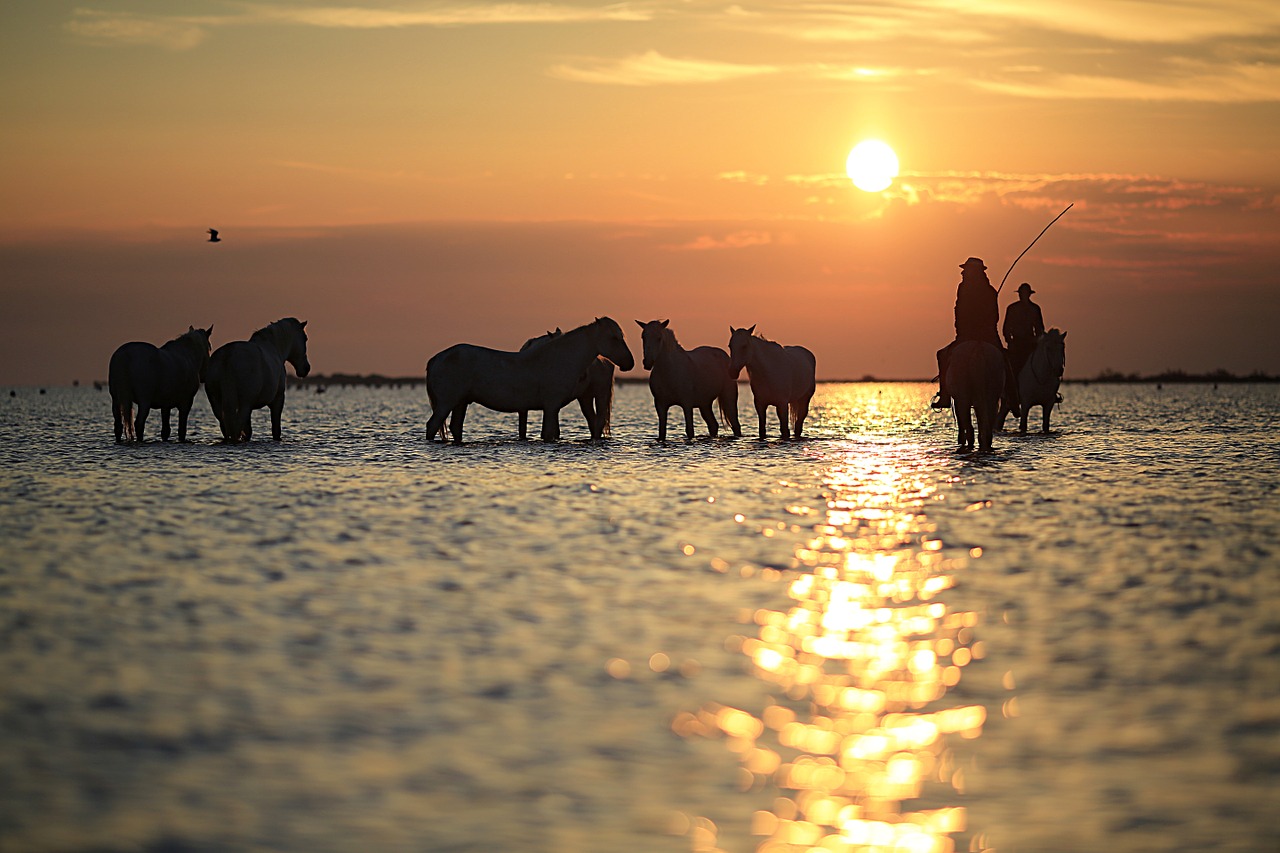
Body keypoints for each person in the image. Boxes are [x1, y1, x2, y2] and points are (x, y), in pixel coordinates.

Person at [931, 257, 1020, 414]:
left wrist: (961, 330)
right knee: (1005, 359)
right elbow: (995, 316)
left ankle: (945, 396)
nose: (963, 273)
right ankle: (1013, 400)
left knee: (943, 355)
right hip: (988, 335)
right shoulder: (990, 291)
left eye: (966, 271)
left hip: (968, 335)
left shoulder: (964, 288)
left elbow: (958, 311)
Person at [1003, 282, 1045, 376]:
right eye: (1021, 293)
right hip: (1016, 344)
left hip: (1031, 344)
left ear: (1029, 294)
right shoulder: (1012, 308)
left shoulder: (1035, 309)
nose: (1022, 296)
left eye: (1024, 293)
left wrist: (1037, 341)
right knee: (1012, 369)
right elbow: (1006, 328)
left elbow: (1039, 328)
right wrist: (1010, 342)